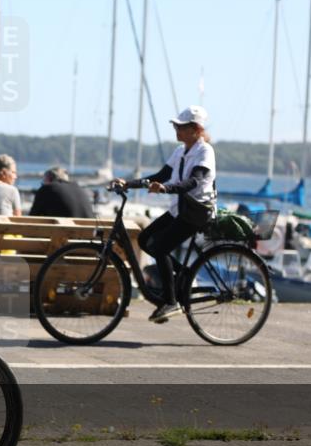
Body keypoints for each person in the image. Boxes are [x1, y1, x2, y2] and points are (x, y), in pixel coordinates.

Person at [111, 105, 217, 323]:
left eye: (181, 126)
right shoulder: (180, 151)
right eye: (176, 126)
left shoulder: (205, 151)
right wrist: (128, 183)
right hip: (181, 209)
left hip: (196, 212)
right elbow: (161, 175)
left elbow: (194, 181)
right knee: (144, 239)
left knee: (160, 248)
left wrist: (166, 189)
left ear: (196, 129)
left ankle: (171, 302)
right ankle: (185, 274)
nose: (176, 130)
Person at [29, 166, 94, 218]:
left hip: (64, 233)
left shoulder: (47, 188)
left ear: (48, 179)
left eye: (43, 182)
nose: (42, 184)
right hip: (88, 233)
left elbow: (32, 218)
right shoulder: (80, 189)